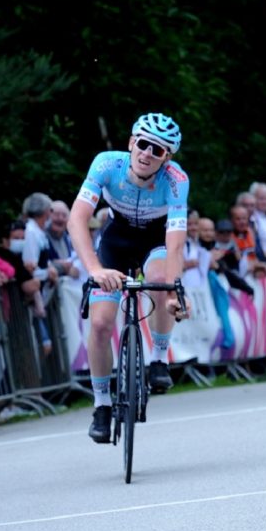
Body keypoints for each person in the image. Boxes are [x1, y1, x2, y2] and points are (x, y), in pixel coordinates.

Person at [67, 112, 191, 445]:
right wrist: (95, 270)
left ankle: (158, 359)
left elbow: (176, 240)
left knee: (162, 279)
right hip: (115, 241)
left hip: (155, 240)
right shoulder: (107, 165)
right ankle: (102, 404)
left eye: (159, 150)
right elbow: (77, 220)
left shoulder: (176, 180)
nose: (148, 153)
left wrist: (175, 288)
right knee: (101, 324)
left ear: (168, 158)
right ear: (131, 143)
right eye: (144, 144)